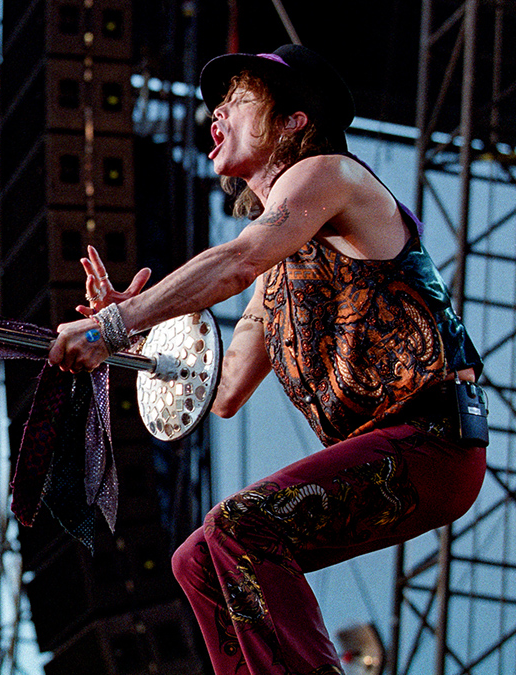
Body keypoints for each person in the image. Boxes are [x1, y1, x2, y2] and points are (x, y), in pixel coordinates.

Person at [47, 44, 488, 674]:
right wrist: (141, 345)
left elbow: (235, 260)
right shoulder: (278, 269)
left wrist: (113, 322)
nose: (217, 115)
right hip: (395, 452)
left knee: (240, 527)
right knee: (195, 559)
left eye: (238, 101)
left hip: (436, 441)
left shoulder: (333, 175)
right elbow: (220, 391)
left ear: (293, 122)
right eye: (217, 105)